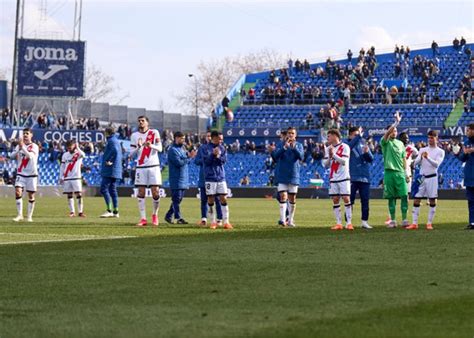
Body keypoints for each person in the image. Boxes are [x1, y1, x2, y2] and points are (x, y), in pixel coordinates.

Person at [407, 130, 445, 230]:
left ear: (436, 138)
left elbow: (436, 164)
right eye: (429, 138)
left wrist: (427, 157)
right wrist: (418, 159)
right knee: (416, 199)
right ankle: (414, 223)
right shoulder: (422, 149)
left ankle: (429, 223)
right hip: (422, 178)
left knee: (432, 200)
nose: (430, 140)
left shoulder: (440, 151)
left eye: (432, 138)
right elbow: (416, 163)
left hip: (432, 177)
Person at [130, 116, 163, 226]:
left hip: (153, 166)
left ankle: (155, 215)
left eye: (143, 121)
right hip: (141, 167)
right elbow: (131, 154)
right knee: (141, 192)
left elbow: (160, 148)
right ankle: (143, 218)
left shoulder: (154, 133)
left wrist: (151, 145)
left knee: (155, 192)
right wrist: (138, 147)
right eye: (139, 121)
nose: (140, 122)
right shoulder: (134, 136)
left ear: (147, 123)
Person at [269, 127, 304, 227]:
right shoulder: (280, 145)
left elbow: (301, 157)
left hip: (293, 174)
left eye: (292, 133)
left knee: (292, 198)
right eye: (289, 133)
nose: (290, 135)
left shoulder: (299, 145)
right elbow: (275, 157)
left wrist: (293, 148)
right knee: (283, 196)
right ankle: (283, 220)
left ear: (295, 135)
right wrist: (284, 148)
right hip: (282, 174)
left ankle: (290, 220)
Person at [381, 111, 409, 228]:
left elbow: (404, 160)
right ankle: (392, 220)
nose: (394, 132)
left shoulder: (400, 144)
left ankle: (404, 219)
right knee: (391, 198)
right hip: (389, 173)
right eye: (392, 130)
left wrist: (406, 173)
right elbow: (386, 135)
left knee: (404, 196)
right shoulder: (385, 142)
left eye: (396, 130)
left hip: (400, 173)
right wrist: (396, 122)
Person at [201, 131, 232, 229]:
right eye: (220, 139)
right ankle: (213, 221)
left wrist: (217, 156)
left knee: (223, 197)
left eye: (222, 139)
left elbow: (223, 161)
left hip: (220, 177)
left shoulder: (222, 148)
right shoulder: (205, 148)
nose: (221, 140)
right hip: (210, 177)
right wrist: (212, 155)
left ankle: (226, 221)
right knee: (210, 198)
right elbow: (206, 162)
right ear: (213, 138)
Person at [164, 131, 196, 224]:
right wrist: (189, 157)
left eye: (184, 138)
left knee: (179, 199)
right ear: (176, 138)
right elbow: (179, 163)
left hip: (183, 178)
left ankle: (168, 215)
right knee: (176, 198)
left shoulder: (182, 149)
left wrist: (188, 157)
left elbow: (185, 161)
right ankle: (178, 218)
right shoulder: (173, 150)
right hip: (176, 178)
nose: (183, 140)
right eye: (182, 138)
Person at [323, 129, 352, 230]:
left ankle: (349, 223)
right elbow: (325, 165)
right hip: (333, 177)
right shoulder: (328, 148)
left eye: (329, 136)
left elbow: (344, 161)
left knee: (346, 198)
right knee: (335, 199)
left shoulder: (345, 147)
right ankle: (339, 223)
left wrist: (333, 155)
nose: (328, 138)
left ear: (335, 136)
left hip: (344, 177)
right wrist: (330, 157)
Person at [346, 127, 374, 229]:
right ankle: (348, 221)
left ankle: (364, 221)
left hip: (365, 177)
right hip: (352, 177)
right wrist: (358, 137)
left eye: (358, 134)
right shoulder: (347, 145)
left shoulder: (363, 144)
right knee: (350, 200)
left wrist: (367, 152)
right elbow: (349, 148)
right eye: (355, 134)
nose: (358, 136)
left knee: (365, 200)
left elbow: (371, 159)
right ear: (350, 135)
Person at [10, 128, 39, 222]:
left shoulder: (34, 146)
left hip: (31, 174)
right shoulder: (19, 146)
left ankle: (29, 216)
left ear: (31, 135)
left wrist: (22, 147)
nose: (25, 135)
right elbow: (11, 156)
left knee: (31, 196)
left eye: (27, 133)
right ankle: (20, 215)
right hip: (21, 173)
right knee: (18, 192)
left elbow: (30, 156)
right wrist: (18, 148)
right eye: (24, 134)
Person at [194, 131, 222, 226]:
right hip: (204, 176)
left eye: (210, 136)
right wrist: (204, 160)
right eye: (208, 136)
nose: (209, 138)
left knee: (217, 199)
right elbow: (196, 161)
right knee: (204, 199)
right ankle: (204, 218)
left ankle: (219, 219)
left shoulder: (218, 148)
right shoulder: (202, 148)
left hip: (214, 176)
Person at [99, 126, 122, 218]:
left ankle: (109, 210)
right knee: (112, 190)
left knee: (103, 189)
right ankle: (116, 211)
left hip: (110, 169)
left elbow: (115, 151)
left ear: (107, 133)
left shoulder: (111, 141)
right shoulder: (115, 140)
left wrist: (109, 160)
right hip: (116, 169)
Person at [455, 123, 474, 230]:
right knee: (471, 200)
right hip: (469, 175)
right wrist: (459, 154)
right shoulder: (466, 142)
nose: (466, 132)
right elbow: (463, 159)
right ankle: (472, 222)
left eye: (468, 130)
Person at [59, 140, 86, 217]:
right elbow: (62, 166)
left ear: (74, 146)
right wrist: (61, 176)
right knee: (69, 195)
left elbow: (83, 155)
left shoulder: (78, 154)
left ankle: (80, 212)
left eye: (70, 147)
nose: (69, 149)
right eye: (68, 148)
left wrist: (78, 147)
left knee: (78, 194)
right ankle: (72, 212)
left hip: (76, 177)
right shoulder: (65, 155)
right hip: (67, 177)